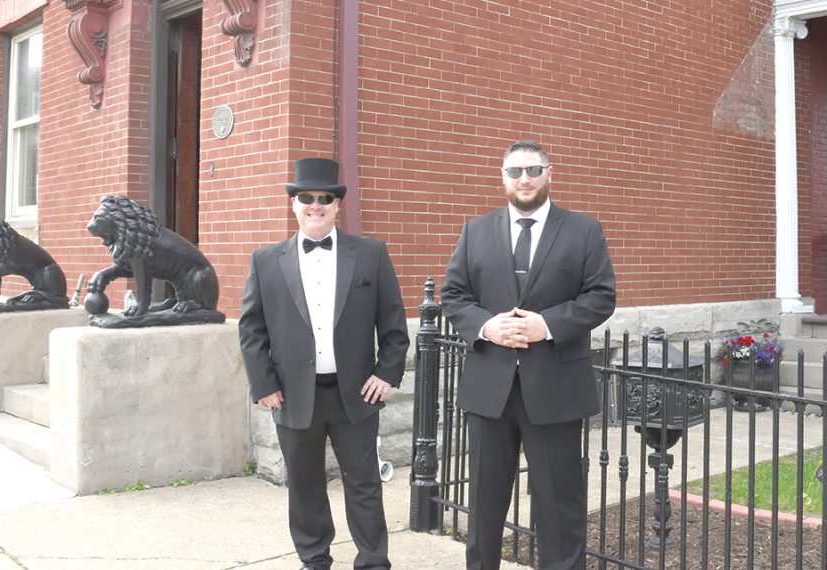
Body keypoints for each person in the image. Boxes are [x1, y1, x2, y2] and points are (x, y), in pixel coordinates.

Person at [441, 140, 616, 570]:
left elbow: (601, 296)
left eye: (534, 169)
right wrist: (487, 326)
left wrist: (547, 325)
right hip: (489, 391)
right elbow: (454, 295)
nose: (524, 178)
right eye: (515, 171)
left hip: (555, 389)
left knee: (560, 508)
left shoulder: (583, 230)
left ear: (549, 174)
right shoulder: (475, 231)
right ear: (502, 178)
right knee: (483, 505)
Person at [238, 157, 409, 570]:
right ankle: (314, 559)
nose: (315, 205)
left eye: (325, 198)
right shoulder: (266, 260)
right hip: (292, 395)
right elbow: (252, 328)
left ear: (337, 205)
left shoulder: (370, 254)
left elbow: (393, 323)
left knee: (364, 483)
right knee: (304, 484)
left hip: (354, 394)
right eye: (306, 198)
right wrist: (263, 385)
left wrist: (386, 374)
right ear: (293, 204)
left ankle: (372, 560)